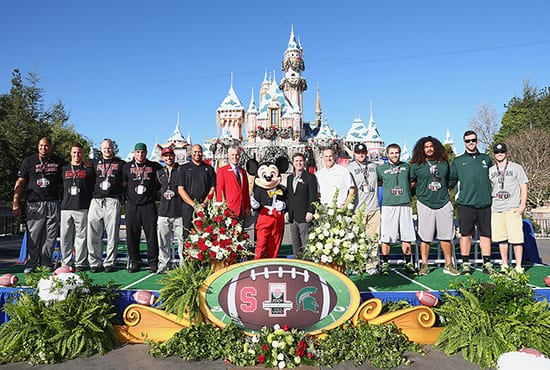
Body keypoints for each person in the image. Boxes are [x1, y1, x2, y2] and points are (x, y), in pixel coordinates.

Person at [13, 137, 65, 273]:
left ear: (51, 147)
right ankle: (31, 263)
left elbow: (71, 171)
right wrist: (16, 202)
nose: (43, 148)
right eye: (41, 146)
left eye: (46, 146)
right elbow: (20, 183)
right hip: (34, 203)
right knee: (34, 235)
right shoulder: (29, 161)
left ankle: (46, 262)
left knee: (50, 235)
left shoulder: (58, 162)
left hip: (53, 202)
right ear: (38, 146)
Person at [410, 136, 459, 276]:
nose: (429, 149)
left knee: (446, 236)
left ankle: (448, 264)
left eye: (431, 146)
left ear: (436, 147)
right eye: (426, 147)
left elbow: (451, 179)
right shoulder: (416, 164)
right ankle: (424, 265)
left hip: (443, 202)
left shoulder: (444, 163)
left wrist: (446, 189)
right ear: (422, 149)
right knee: (425, 237)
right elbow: (411, 182)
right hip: (425, 203)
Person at [449, 130, 493, 275]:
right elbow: (450, 182)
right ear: (464, 142)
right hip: (466, 204)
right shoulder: (457, 161)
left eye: (473, 140)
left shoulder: (486, 159)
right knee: (465, 235)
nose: (471, 143)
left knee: (485, 235)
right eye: (467, 141)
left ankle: (487, 263)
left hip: (485, 203)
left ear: (477, 141)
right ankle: (466, 264)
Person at [376, 143, 417, 275]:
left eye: (396, 153)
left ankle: (408, 263)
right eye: (392, 153)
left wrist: (403, 191)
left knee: (407, 235)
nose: (394, 155)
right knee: (386, 236)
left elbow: (412, 182)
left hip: (404, 204)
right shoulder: (381, 169)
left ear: (400, 153)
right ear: (387, 154)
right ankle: (385, 263)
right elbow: (379, 183)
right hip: (389, 205)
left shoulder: (406, 167)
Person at [87, 138, 126, 273]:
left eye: (109, 148)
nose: (107, 150)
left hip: (112, 200)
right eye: (104, 148)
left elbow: (125, 182)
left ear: (113, 148)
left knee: (112, 233)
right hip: (97, 200)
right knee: (93, 232)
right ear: (101, 149)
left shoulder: (121, 164)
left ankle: (109, 262)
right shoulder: (94, 163)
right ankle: (94, 262)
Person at [122, 142, 162, 273]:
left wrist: (155, 196)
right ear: (134, 153)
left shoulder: (154, 166)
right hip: (132, 205)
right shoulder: (127, 167)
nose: (140, 154)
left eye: (143, 152)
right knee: (132, 235)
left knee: (151, 235)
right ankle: (135, 262)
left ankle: (153, 262)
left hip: (148, 205)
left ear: (146, 152)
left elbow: (160, 184)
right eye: (138, 152)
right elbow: (123, 184)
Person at [489, 142, 528, 273]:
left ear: (506, 152)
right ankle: (504, 264)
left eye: (502, 152)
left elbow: (523, 185)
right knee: (501, 239)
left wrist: (522, 205)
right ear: (494, 154)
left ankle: (518, 265)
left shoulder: (516, 167)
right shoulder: (491, 170)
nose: (499, 154)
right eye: (497, 152)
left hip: (513, 208)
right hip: (497, 209)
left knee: (516, 239)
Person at [59, 143, 95, 271]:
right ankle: (66, 262)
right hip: (66, 207)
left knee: (81, 237)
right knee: (65, 237)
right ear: (70, 153)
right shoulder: (63, 169)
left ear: (82, 154)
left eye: (79, 153)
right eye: (74, 152)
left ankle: (80, 262)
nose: (76, 155)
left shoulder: (88, 170)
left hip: (82, 206)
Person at [178, 144, 216, 239]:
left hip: (204, 206)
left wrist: (204, 203)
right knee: (188, 235)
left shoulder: (209, 169)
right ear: (191, 153)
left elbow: (213, 188)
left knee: (206, 235)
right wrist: (194, 205)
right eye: (195, 152)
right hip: (188, 207)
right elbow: (181, 189)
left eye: (199, 152)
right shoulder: (183, 168)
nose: (197, 154)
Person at [285, 152, 319, 256]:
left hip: (304, 216)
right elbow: (289, 196)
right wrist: (287, 211)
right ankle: (297, 265)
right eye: (296, 161)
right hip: (292, 216)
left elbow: (313, 196)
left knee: (306, 244)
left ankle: (308, 265)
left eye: (301, 161)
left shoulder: (310, 177)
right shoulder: (289, 178)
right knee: (295, 244)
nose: (298, 163)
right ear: (293, 163)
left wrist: (310, 211)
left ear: (304, 162)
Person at [156, 146, 183, 272]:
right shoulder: (159, 172)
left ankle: (184, 265)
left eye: (170, 155)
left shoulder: (181, 170)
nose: (168, 158)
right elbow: (155, 190)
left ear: (174, 156)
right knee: (163, 242)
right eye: (166, 156)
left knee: (182, 242)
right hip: (163, 212)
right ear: (162, 157)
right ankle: (163, 264)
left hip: (178, 212)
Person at [346, 143, 380, 238]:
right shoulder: (349, 168)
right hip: (358, 210)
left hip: (374, 209)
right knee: (358, 241)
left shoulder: (374, 166)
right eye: (358, 152)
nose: (361, 155)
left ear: (366, 153)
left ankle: (373, 254)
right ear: (354, 153)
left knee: (373, 241)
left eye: (363, 152)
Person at [216, 145, 250, 219]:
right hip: (229, 209)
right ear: (228, 156)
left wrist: (247, 206)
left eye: (237, 155)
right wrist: (220, 207)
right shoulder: (222, 171)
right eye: (232, 155)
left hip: (242, 208)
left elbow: (246, 190)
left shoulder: (243, 171)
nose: (235, 157)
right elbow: (220, 190)